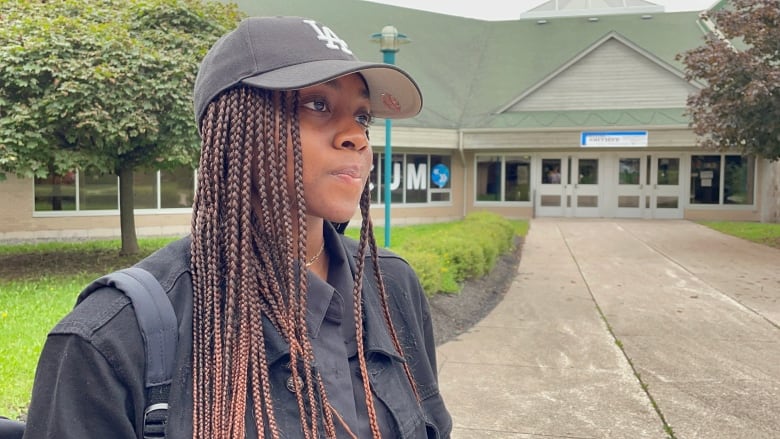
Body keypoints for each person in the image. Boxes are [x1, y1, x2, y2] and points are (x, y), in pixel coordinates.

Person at [23, 16, 451, 439]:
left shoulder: (391, 284)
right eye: (318, 104)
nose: (355, 137)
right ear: (234, 129)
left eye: (362, 117)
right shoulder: (109, 339)